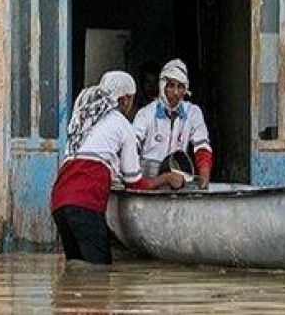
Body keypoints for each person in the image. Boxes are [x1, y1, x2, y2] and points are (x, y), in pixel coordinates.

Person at [50, 71, 185, 265]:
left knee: (76, 269)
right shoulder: (122, 126)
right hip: (85, 203)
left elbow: (97, 162)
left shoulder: (82, 122)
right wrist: (167, 178)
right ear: (124, 100)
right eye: (131, 99)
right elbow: (135, 184)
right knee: (100, 273)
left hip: (59, 201)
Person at [133, 59, 213, 189]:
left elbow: (202, 147)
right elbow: (132, 146)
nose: (176, 92)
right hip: (147, 182)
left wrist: (204, 181)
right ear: (162, 86)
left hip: (177, 183)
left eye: (180, 87)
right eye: (171, 85)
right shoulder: (146, 114)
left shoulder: (193, 113)